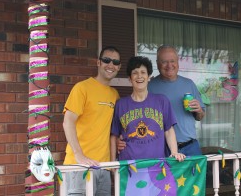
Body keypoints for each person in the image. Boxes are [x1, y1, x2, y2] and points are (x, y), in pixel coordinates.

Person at [118, 45, 205, 156]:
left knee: (196, 173)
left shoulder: (189, 84)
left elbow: (200, 116)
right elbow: (133, 115)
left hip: (190, 146)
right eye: (164, 62)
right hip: (164, 148)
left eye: (172, 61)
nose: (169, 65)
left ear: (178, 62)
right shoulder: (148, 86)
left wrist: (199, 111)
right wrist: (121, 139)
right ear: (158, 64)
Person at [62, 46, 121, 195]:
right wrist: (79, 155)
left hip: (104, 166)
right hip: (79, 166)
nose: (110, 65)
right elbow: (68, 122)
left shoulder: (115, 95)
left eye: (115, 62)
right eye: (106, 60)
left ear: (119, 67)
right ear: (98, 62)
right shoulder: (82, 88)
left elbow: (111, 128)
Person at [110, 56, 185, 162]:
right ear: (130, 79)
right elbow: (114, 136)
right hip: (128, 168)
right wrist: (113, 164)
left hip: (157, 167)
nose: (139, 76)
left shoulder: (161, 101)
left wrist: (174, 152)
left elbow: (168, 130)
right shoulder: (121, 104)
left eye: (143, 72)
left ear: (149, 76)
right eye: (135, 73)